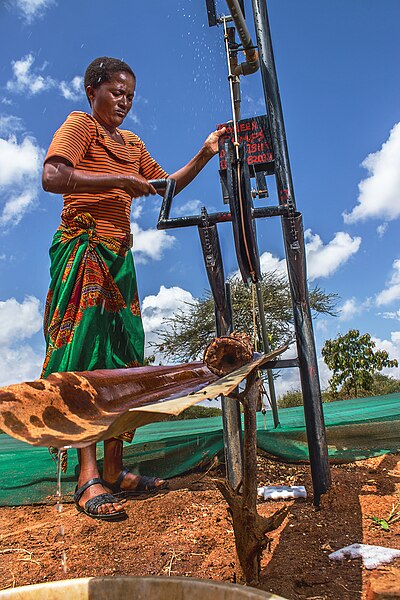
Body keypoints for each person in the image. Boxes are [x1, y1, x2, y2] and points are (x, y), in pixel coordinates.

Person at [41, 56, 226, 522]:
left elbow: (164, 186)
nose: (123, 101)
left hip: (120, 261)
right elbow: (53, 176)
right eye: (116, 92)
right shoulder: (80, 126)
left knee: (124, 361)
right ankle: (88, 478)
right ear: (93, 91)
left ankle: (117, 470)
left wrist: (204, 153)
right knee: (87, 362)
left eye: (130, 95)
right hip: (84, 252)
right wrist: (118, 180)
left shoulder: (132, 143)